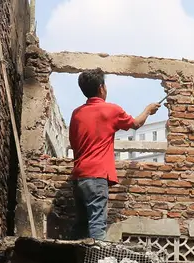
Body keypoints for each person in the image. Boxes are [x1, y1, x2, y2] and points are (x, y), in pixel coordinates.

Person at [68, 69, 160, 240]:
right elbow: (136, 123)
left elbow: (73, 143)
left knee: (81, 224)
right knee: (97, 224)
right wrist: (148, 109)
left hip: (78, 177)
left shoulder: (76, 113)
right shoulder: (110, 110)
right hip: (96, 176)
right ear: (101, 88)